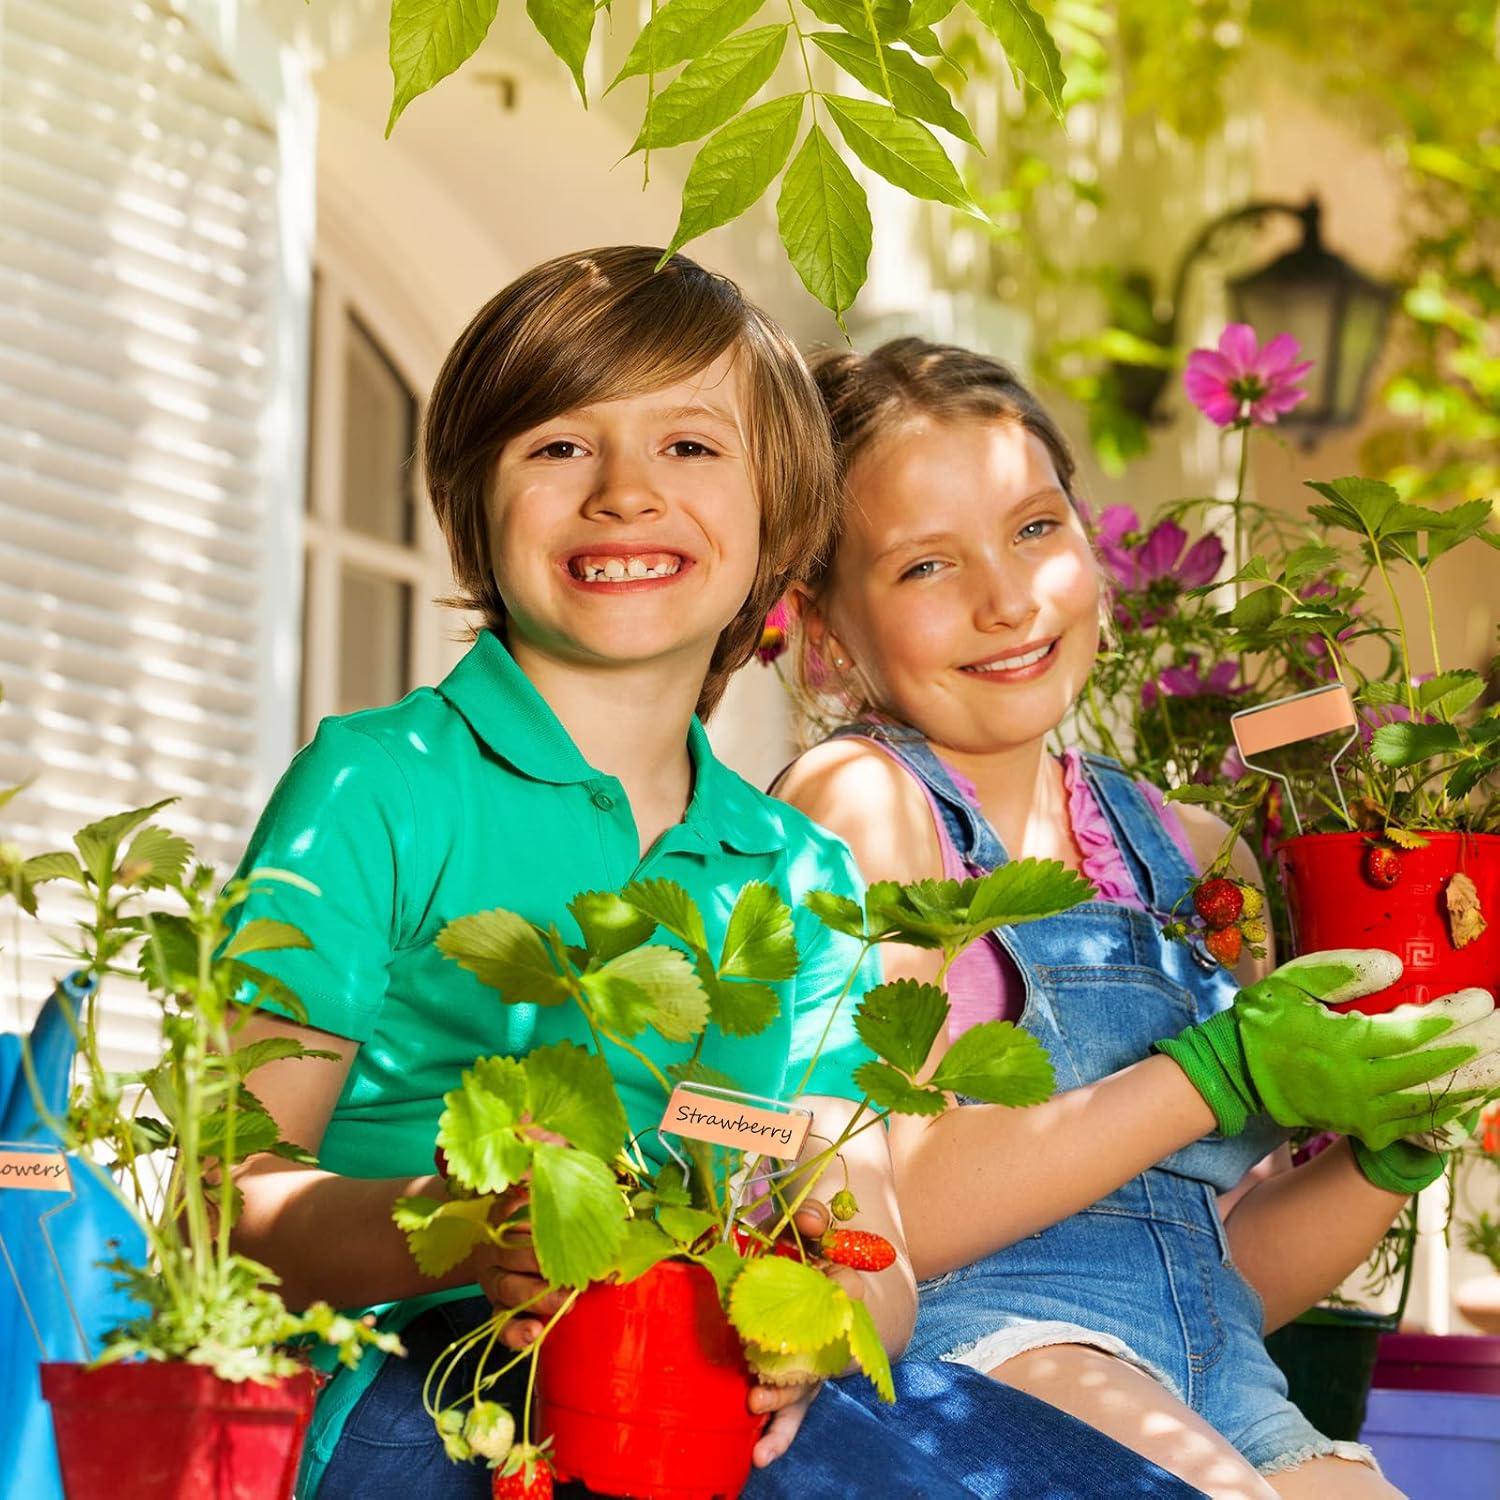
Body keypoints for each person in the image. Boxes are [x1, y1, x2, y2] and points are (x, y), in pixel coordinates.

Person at [220, 253, 1202, 1499]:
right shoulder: (378, 788)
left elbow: (873, 1247)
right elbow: (225, 1210)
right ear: (472, 498)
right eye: (560, 447)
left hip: (715, 1381)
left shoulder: (791, 873)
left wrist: (819, 1312)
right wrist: (468, 1228)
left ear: (779, 515)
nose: (627, 494)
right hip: (433, 1385)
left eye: (690, 448)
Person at [775, 336, 1500, 1500]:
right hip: (982, 1351)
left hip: (1216, 1369)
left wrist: (1391, 1152)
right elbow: (880, 1212)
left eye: (1034, 529)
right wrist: (1213, 1073)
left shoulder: (1183, 850)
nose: (1007, 598)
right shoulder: (864, 804)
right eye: (924, 567)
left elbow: (1217, 1271)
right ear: (823, 628)